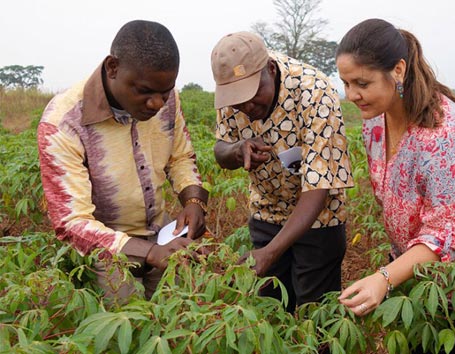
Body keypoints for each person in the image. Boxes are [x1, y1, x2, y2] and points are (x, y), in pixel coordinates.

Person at [336, 18, 455, 320]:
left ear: (398, 70)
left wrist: (384, 278)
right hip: (414, 265)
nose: (351, 95)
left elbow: (442, 235)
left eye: (362, 84)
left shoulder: (444, 135)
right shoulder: (375, 121)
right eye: (346, 83)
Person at [37, 20, 209, 301]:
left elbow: (181, 157)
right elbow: (72, 221)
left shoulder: (168, 100)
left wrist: (193, 201)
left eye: (164, 92)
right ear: (112, 68)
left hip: (162, 232)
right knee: (127, 329)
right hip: (105, 248)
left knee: (174, 323)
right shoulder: (63, 122)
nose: (156, 104)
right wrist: (148, 252)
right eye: (144, 91)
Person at [211, 32, 354, 312]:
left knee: (316, 318)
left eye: (252, 96)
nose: (247, 107)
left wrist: (270, 253)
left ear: (271, 70)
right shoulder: (233, 98)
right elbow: (220, 148)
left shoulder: (315, 91)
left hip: (320, 220)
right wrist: (237, 150)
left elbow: (318, 187)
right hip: (267, 214)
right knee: (271, 314)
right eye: (238, 102)